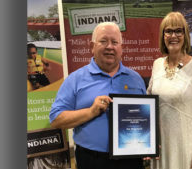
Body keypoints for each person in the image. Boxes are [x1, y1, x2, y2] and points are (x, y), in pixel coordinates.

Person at [49, 22, 146, 169]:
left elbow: (145, 118)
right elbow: (56, 119)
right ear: (92, 46)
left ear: (121, 48)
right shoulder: (75, 79)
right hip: (92, 160)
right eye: (103, 41)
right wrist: (90, 111)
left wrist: (148, 143)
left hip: (131, 160)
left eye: (114, 42)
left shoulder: (135, 78)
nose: (109, 47)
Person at [147, 12, 192, 169]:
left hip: (187, 145)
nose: (173, 35)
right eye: (168, 31)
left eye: (179, 31)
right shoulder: (157, 64)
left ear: (185, 35)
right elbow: (148, 102)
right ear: (163, 35)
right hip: (161, 145)